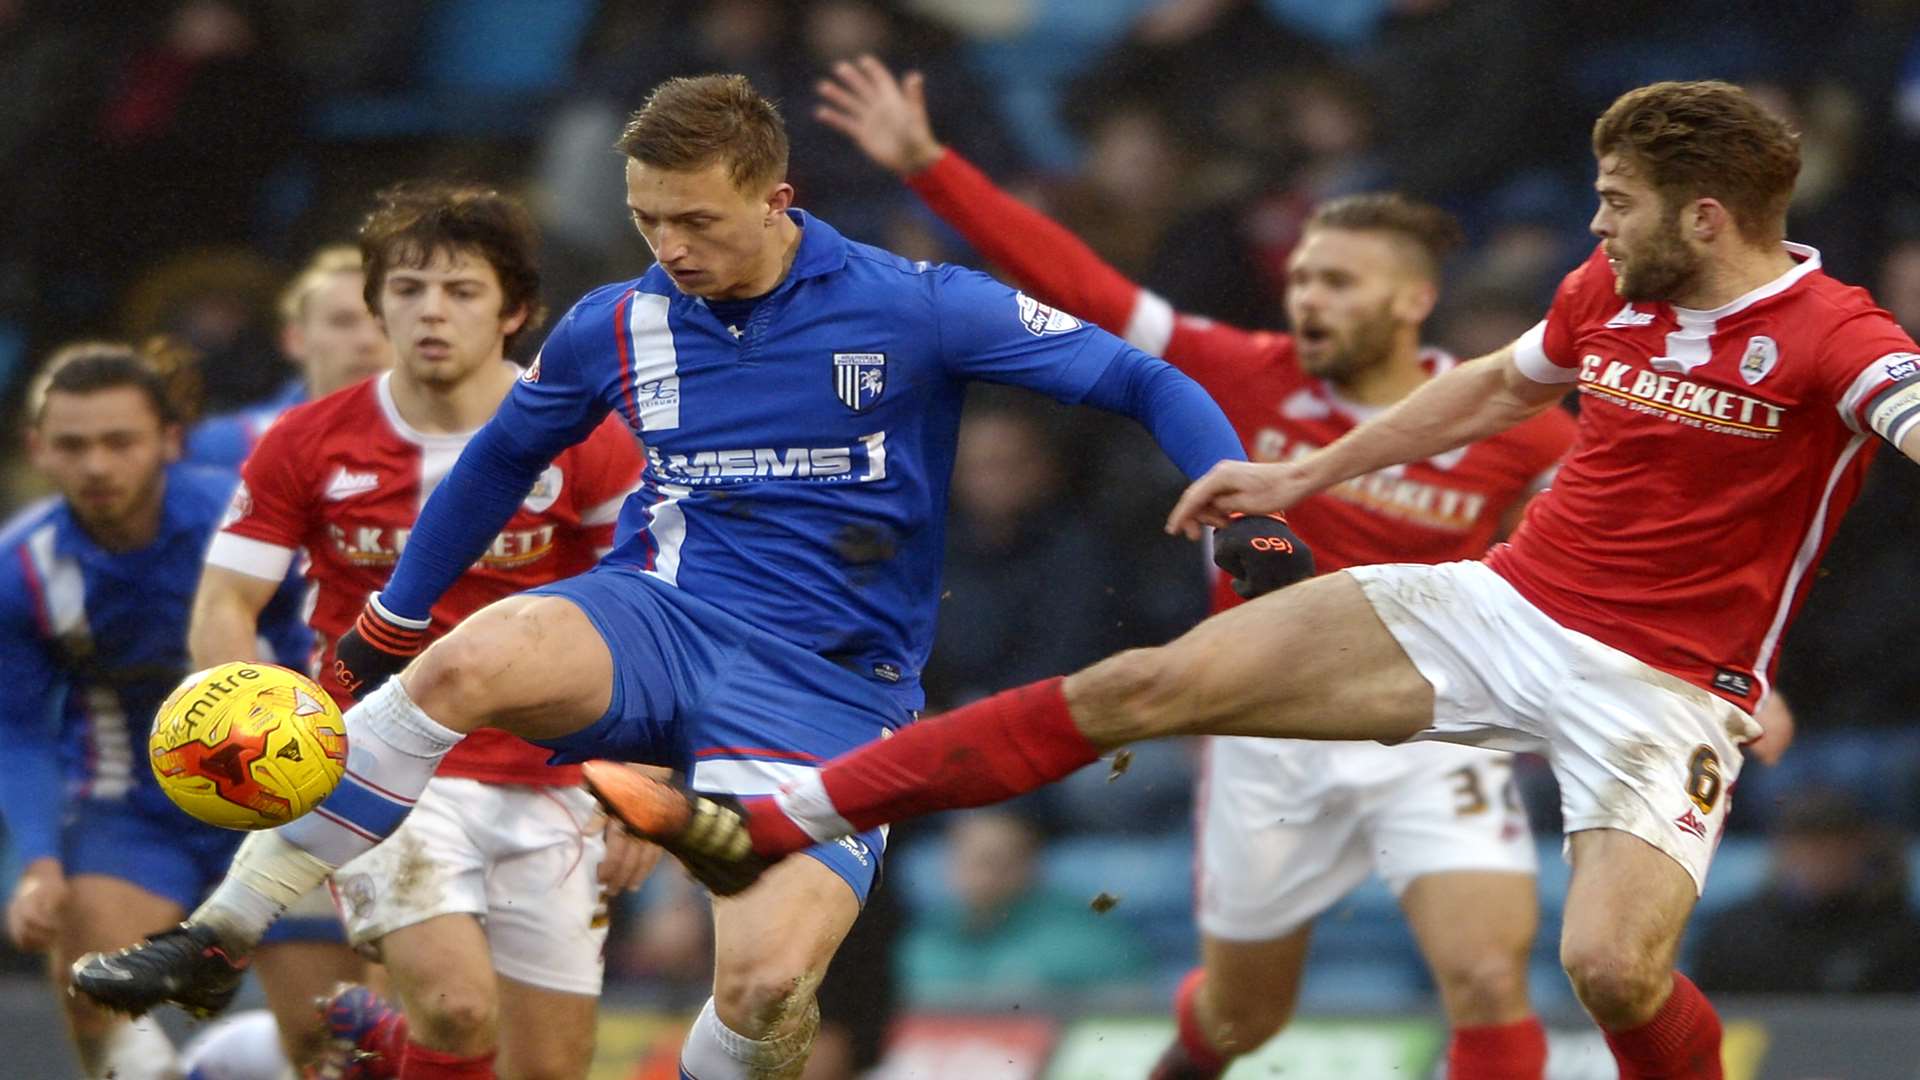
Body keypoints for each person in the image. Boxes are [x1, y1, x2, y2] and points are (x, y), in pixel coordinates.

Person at [588, 79, 1920, 1080]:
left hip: (1662, 684)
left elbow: (1887, 406)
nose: (1594, 221)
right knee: (1148, 694)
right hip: (1494, 610)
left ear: (1701, 214)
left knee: (1608, 972)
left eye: (1616, 200)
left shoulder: (1833, 334)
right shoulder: (1596, 294)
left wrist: (1768, 680)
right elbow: (1491, 383)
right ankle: (774, 823)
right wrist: (1294, 480)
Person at [69, 75, 1298, 1080]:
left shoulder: (916, 307)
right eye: (650, 218)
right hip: (659, 612)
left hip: (828, 685)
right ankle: (222, 930)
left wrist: (1231, 500)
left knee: (763, 992)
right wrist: (394, 613)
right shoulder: (619, 319)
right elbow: (502, 459)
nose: (672, 248)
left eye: (698, 221)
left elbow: (1143, 377)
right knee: (467, 657)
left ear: (777, 198)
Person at [815, 55, 1574, 1077]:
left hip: (1427, 726)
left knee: (1487, 977)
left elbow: (1611, 550)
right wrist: (930, 168)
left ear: (1411, 300)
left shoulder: (1511, 426)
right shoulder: (1239, 371)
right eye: (1301, 276)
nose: (1307, 298)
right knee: (1238, 1019)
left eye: (1338, 281)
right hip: (1266, 732)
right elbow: (1078, 286)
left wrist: (1729, 670)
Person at [188, 181, 654, 1080]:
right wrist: (247, 726)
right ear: (378, 305)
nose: (430, 312)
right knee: (455, 1006)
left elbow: (641, 609)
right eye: (407, 289)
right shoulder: (304, 440)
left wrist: (643, 773)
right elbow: (223, 604)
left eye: (461, 291)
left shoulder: (590, 439)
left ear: (515, 310)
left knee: (546, 1067)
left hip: (551, 776)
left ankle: (308, 1056)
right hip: (380, 769)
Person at [0, 342, 323, 1080]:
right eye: (73, 445)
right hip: (132, 809)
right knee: (94, 982)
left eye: (120, 442)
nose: (97, 466)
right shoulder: (20, 570)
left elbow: (324, 643)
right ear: (38, 450)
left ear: (169, 442)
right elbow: (17, 728)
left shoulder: (244, 521)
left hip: (284, 792)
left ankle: (224, 1062)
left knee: (325, 1035)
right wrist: (40, 864)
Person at [184, 244, 395, 467]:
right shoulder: (221, 446)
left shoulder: (433, 443)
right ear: (295, 339)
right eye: (343, 321)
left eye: (385, 322)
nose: (368, 341)